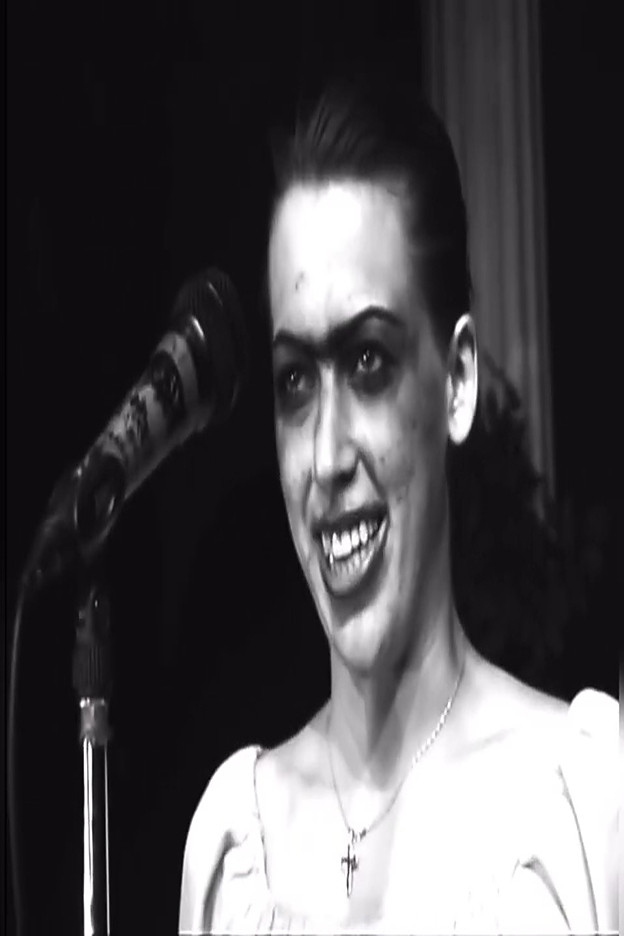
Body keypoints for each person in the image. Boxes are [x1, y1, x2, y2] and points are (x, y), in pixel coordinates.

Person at [178, 70, 619, 934]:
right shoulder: (232, 850)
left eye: (369, 362)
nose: (327, 456)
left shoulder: (581, 806)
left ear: (456, 382)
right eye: (295, 381)